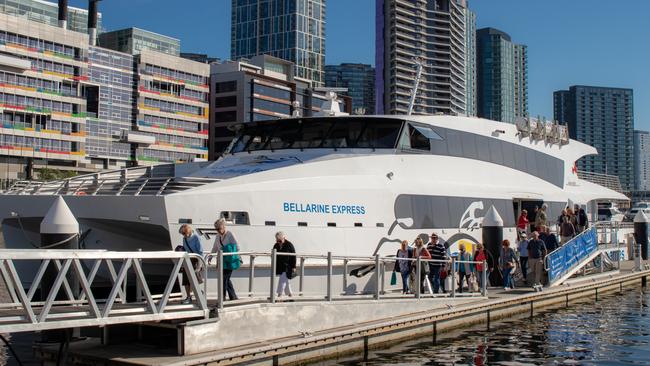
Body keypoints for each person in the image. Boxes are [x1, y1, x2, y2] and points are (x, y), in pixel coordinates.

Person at [211, 218, 240, 301]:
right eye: (216, 229)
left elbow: (237, 247)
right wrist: (210, 256)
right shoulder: (218, 236)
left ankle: (222, 299)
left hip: (229, 261)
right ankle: (233, 297)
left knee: (224, 279)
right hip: (221, 261)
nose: (218, 231)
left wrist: (227, 250)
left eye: (219, 229)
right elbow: (215, 247)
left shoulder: (230, 234)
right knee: (226, 279)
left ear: (223, 227)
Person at [179, 224, 203, 304]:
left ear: (187, 232)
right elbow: (185, 249)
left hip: (195, 259)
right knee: (186, 280)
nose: (183, 235)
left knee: (194, 279)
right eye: (182, 234)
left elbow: (200, 251)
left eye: (183, 233)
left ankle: (199, 293)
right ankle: (188, 297)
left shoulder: (196, 237)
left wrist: (199, 265)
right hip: (187, 259)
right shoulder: (184, 239)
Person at [273, 231, 296, 298]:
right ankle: (290, 294)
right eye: (277, 240)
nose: (278, 242)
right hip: (280, 265)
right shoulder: (276, 245)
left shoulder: (289, 245)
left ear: (284, 238)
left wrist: (294, 266)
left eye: (280, 241)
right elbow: (273, 254)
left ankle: (279, 295)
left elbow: (293, 256)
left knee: (282, 279)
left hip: (287, 266)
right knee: (286, 280)